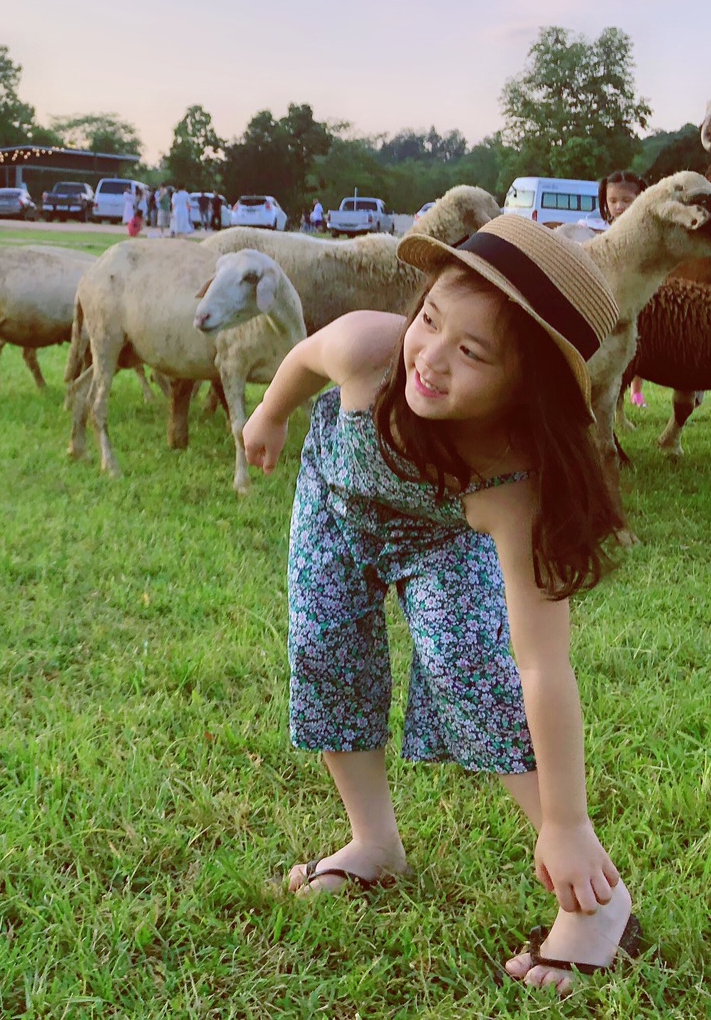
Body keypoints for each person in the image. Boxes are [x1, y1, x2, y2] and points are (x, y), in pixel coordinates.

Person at [240, 215, 638, 995]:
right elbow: (302, 358)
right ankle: (374, 844)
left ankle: (597, 901)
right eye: (430, 319)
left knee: (473, 674)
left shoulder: (512, 484)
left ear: (529, 388)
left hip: (439, 537)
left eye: (473, 351)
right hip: (336, 498)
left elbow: (540, 663)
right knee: (325, 657)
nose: (429, 355)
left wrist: (567, 820)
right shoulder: (369, 350)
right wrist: (272, 413)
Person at [589, 171, 648, 407]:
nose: (619, 207)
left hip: (636, 298)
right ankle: (615, 400)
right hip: (611, 299)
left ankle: (636, 390)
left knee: (639, 345)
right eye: (612, 201)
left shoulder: (646, 235)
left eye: (626, 201)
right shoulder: (603, 233)